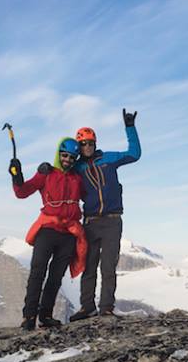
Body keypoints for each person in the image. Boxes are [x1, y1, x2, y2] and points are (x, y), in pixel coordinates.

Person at [69, 109, 141, 320]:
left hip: (112, 221)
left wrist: (130, 127)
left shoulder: (109, 158)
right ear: (79, 146)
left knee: (108, 266)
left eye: (90, 143)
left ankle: (106, 308)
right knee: (89, 266)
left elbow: (134, 154)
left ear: (95, 143)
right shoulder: (76, 167)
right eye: (83, 144)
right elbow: (60, 172)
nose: (88, 147)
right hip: (90, 222)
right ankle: (87, 307)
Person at [10, 137, 87, 330]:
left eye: (72, 157)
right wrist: (16, 175)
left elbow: (89, 195)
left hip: (68, 233)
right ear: (58, 155)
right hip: (47, 231)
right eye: (65, 155)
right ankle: (29, 317)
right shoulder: (46, 173)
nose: (68, 160)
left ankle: (45, 316)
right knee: (38, 272)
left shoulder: (77, 178)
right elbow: (22, 192)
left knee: (55, 277)